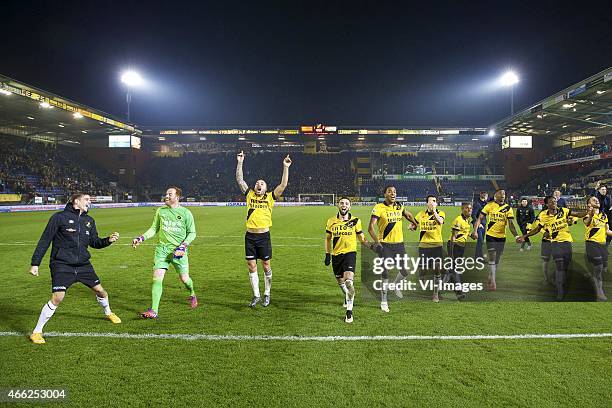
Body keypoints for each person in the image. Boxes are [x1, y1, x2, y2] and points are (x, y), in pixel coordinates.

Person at [29, 193, 121, 344]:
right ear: (76, 201)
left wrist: (108, 240)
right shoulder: (59, 218)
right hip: (62, 264)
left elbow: (95, 242)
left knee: (101, 291)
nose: (89, 202)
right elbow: (45, 240)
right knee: (58, 297)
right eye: (86, 199)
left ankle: (108, 312)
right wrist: (35, 263)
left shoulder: (89, 221)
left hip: (83, 265)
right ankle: (37, 332)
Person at [236, 151, 291, 308]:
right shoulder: (249, 194)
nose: (258, 184)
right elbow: (240, 179)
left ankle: (267, 293)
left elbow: (283, 185)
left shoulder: (270, 197)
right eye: (257, 183)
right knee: (251, 266)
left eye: (262, 183)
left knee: (266, 265)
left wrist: (285, 166)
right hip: (250, 236)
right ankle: (256, 295)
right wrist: (240, 162)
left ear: (266, 188)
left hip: (264, 236)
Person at [132, 186, 197, 318]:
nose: (166, 196)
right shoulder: (160, 211)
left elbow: (192, 233)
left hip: (179, 252)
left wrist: (183, 246)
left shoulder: (186, 213)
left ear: (177, 197)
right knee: (157, 279)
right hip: (162, 250)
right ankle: (154, 311)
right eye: (166, 194)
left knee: (185, 279)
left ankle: (192, 293)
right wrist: (141, 238)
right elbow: (153, 229)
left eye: (170, 194)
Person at [520, 196, 587, 301]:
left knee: (566, 266)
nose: (554, 203)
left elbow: (577, 214)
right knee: (559, 266)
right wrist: (524, 236)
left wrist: (588, 212)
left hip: (567, 242)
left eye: (555, 201)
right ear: (547, 204)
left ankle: (560, 283)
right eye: (551, 202)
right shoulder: (543, 215)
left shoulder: (563, 210)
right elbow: (538, 229)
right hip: (555, 243)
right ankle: (560, 290)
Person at [368, 185, 417, 312]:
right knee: (385, 273)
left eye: (394, 191)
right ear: (384, 194)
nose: (393, 193)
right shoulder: (379, 208)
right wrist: (377, 243)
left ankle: (396, 285)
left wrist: (415, 223)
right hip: (385, 245)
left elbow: (408, 215)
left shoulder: (399, 206)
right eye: (390, 191)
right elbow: (370, 228)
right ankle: (384, 301)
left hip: (399, 245)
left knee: (405, 271)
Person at [324, 197, 372, 323]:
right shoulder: (331, 221)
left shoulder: (356, 221)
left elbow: (362, 238)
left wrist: (372, 246)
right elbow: (328, 238)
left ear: (350, 206)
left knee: (349, 282)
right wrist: (327, 254)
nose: (344, 205)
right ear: (338, 205)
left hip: (350, 254)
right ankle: (346, 296)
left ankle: (349, 312)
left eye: (346, 203)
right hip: (336, 255)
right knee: (340, 281)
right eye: (341, 203)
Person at [473, 189, 521, 291]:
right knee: (492, 257)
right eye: (500, 193)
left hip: (501, 237)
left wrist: (516, 236)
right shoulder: (489, 206)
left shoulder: (508, 208)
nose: (503, 195)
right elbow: (479, 219)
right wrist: (475, 231)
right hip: (490, 235)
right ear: (495, 195)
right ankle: (493, 281)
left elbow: (511, 224)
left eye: (504, 193)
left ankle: (491, 275)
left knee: (497, 259)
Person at [412, 195, 445, 302]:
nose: (432, 203)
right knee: (424, 269)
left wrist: (434, 211)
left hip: (437, 245)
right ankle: (421, 276)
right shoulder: (421, 214)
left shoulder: (440, 213)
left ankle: (435, 294)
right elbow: (415, 223)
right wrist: (412, 226)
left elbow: (440, 221)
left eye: (434, 201)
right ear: (427, 203)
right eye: (430, 201)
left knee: (437, 269)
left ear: (436, 203)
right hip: (424, 246)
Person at [583, 196, 611, 301]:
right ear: (589, 204)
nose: (597, 200)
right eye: (593, 200)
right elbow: (587, 223)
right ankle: (599, 292)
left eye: (597, 200)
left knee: (601, 267)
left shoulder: (604, 215)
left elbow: (607, 231)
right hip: (591, 243)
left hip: (602, 244)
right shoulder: (586, 213)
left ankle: (591, 273)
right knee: (599, 266)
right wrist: (591, 214)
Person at [446, 202, 475, 300]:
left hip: (461, 247)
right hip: (455, 246)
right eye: (467, 208)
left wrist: (471, 235)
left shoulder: (467, 220)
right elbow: (454, 236)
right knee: (455, 269)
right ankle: (459, 292)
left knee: (452, 268)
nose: (470, 210)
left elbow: (464, 232)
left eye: (471, 208)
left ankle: (442, 282)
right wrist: (451, 252)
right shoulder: (458, 220)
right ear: (462, 209)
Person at [471, 191, 488, 259]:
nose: (486, 197)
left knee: (481, 241)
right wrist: (478, 223)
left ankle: (477, 256)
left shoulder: (485, 204)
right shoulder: (477, 204)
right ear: (482, 196)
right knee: (480, 240)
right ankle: (479, 257)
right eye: (486, 195)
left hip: (483, 224)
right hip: (478, 225)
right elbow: (473, 215)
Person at [595, 182, 612, 248]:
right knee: (598, 232)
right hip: (599, 218)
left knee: (609, 232)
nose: (604, 191)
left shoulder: (608, 197)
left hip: (608, 218)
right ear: (599, 191)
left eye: (605, 189)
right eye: (602, 189)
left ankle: (605, 247)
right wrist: (596, 188)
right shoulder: (597, 197)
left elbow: (609, 207)